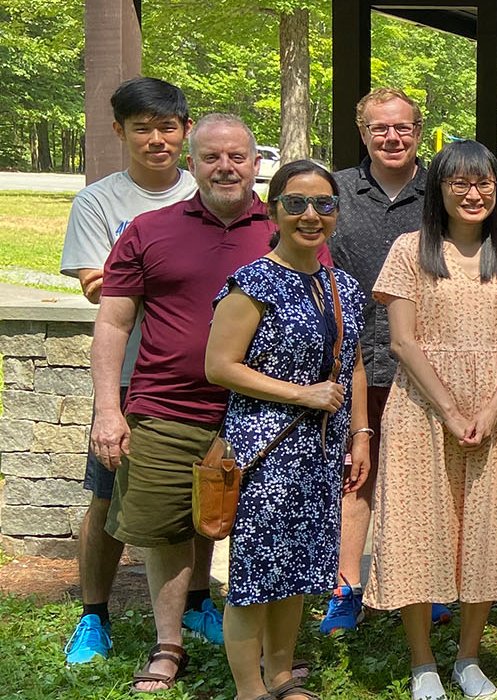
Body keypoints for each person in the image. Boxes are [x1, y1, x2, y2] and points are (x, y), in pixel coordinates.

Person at [92, 113, 289, 693]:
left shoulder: (286, 229)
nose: (225, 167)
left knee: (267, 532)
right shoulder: (149, 229)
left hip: (263, 416)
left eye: (237, 157)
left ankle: (270, 655)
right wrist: (109, 408)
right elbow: (113, 323)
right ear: (191, 163)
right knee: (165, 530)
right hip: (167, 409)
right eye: (211, 157)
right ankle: (168, 642)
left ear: (257, 164)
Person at [366, 140, 497, 700]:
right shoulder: (409, 250)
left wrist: (489, 411)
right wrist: (449, 408)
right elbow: (402, 340)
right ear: (438, 190)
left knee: (486, 530)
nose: (473, 193)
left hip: (496, 408)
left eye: (484, 182)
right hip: (421, 406)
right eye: (458, 183)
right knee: (419, 529)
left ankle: (468, 656)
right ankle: (422, 663)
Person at [205, 160, 370, 700]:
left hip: (319, 455)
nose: (310, 215)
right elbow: (220, 365)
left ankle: (280, 677)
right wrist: (303, 394)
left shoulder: (341, 285)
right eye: (295, 203)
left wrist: (360, 434)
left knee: (298, 572)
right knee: (254, 580)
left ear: (336, 214)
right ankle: (248, 689)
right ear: (273, 210)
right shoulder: (253, 282)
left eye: (323, 204)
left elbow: (355, 364)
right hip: (264, 454)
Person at [59, 76, 200, 666]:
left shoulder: (211, 187)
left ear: (185, 131)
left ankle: (196, 602)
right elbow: (100, 290)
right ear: (120, 132)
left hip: (201, 379)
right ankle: (94, 615)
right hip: (129, 376)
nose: (157, 139)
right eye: (142, 128)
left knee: (200, 494)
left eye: (167, 127)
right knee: (107, 494)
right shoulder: (99, 202)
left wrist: (143, 280)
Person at [324, 86, 440, 635]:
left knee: (425, 480)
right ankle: (346, 588)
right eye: (379, 128)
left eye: (402, 128)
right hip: (354, 358)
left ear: (419, 132)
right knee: (355, 477)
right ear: (363, 133)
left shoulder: (442, 193)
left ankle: (427, 586)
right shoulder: (336, 192)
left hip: (425, 362)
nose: (392, 137)